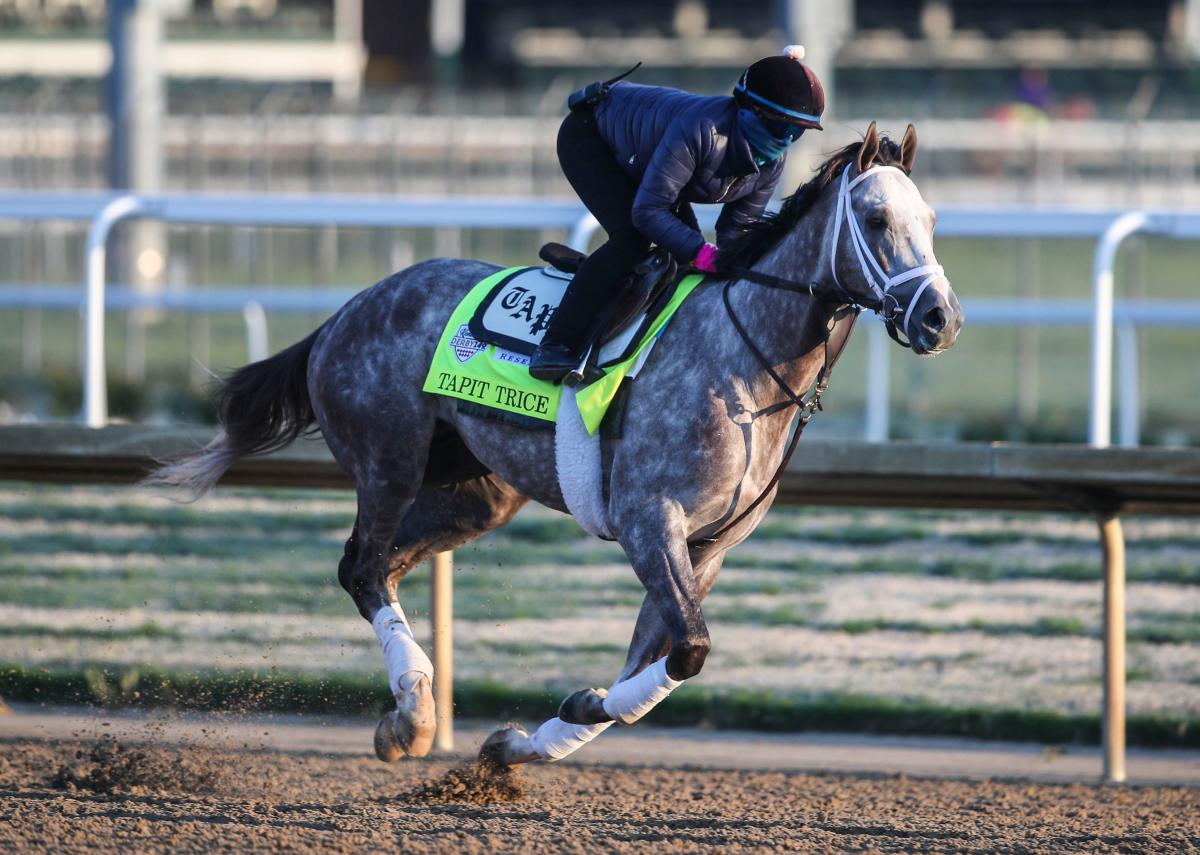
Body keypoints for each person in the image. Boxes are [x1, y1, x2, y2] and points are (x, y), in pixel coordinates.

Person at [528, 46, 825, 382]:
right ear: (750, 110)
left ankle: (611, 285)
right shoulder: (701, 129)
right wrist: (702, 253)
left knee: (684, 257)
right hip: (592, 136)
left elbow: (738, 229)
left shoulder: (771, 164)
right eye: (781, 128)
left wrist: (735, 263)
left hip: (644, 158)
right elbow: (648, 212)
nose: (786, 140)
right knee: (634, 239)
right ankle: (556, 345)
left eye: (797, 133)